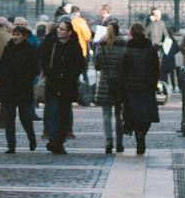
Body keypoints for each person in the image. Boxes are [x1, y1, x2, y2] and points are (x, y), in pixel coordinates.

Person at [39, 14, 84, 154]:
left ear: (69, 32)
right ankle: (53, 139)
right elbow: (42, 57)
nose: (59, 31)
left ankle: (59, 140)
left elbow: (80, 64)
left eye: (63, 29)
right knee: (52, 112)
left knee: (64, 114)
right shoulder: (50, 41)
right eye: (59, 28)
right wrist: (49, 72)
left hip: (67, 85)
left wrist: (70, 75)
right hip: (53, 82)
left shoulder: (74, 45)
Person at [118, 22, 162, 155]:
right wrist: (154, 84)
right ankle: (142, 133)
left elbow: (122, 70)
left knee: (133, 114)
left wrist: (123, 86)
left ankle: (138, 133)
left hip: (131, 87)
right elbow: (156, 69)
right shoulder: (151, 49)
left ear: (131, 33)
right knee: (146, 114)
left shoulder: (127, 49)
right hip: (147, 86)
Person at [0, 20, 41, 152]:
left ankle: (31, 139)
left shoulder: (30, 49)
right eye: (14, 34)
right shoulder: (8, 48)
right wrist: (5, 79)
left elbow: (35, 68)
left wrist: (26, 78)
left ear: (23, 36)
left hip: (23, 88)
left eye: (18, 34)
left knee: (25, 118)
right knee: (9, 119)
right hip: (9, 89)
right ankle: (11, 145)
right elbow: (1, 66)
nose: (15, 37)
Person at [92, 19, 126, 154]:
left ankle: (108, 140)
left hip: (106, 82)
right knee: (119, 115)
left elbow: (97, 66)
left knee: (106, 114)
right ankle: (119, 142)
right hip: (120, 82)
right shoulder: (124, 45)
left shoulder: (101, 45)